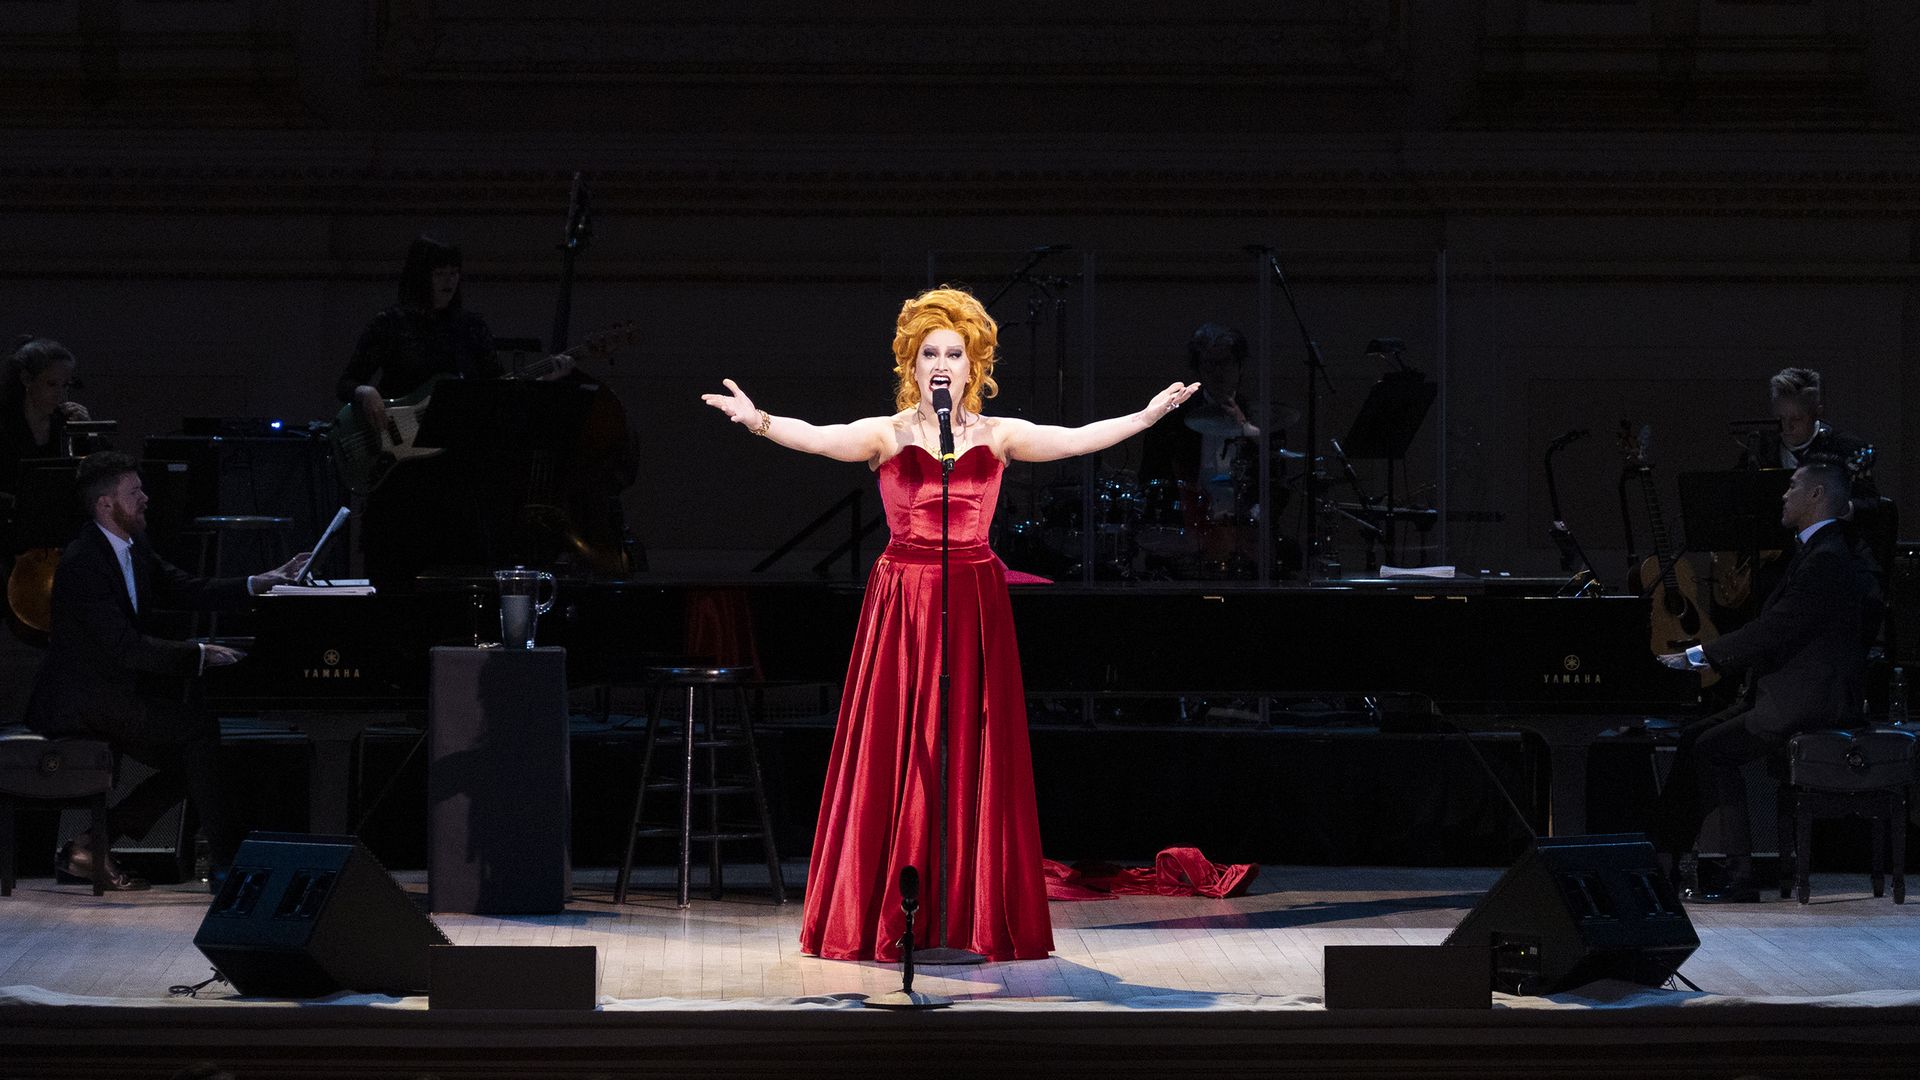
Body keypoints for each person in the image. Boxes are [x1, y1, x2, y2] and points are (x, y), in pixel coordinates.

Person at [702, 287, 1196, 961]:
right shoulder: (888, 432)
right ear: (913, 363)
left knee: (971, 746)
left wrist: (1142, 420)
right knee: (897, 745)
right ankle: (888, 903)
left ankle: (968, 910)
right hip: (903, 598)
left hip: (973, 598)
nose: (941, 362)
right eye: (929, 351)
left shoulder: (1000, 435)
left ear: (974, 364)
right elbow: (819, 439)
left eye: (953, 353)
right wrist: (758, 420)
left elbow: (1077, 439)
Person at [24, 452, 309, 890]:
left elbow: (185, 587)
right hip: (81, 700)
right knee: (198, 734)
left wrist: (260, 581)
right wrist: (196, 653)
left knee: (198, 754)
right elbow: (124, 647)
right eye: (133, 492)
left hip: (110, 695)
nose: (145, 498)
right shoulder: (84, 561)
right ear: (105, 505)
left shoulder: (134, 547)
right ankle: (225, 867)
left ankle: (92, 844)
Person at [1650, 457, 1883, 902]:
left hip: (1810, 700)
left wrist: (1700, 655)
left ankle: (1739, 875)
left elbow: (1775, 629)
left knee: (1711, 749)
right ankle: (1664, 856)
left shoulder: (1828, 558)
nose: (1784, 494)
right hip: (1788, 691)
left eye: (1793, 486)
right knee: (1693, 738)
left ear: (1817, 495)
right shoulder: (1819, 551)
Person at [1, 336, 92, 495]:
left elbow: (93, 476)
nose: (60, 394)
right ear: (27, 379)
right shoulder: (5, 421)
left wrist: (86, 432)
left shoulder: (66, 422)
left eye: (65, 385)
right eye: (51, 384)